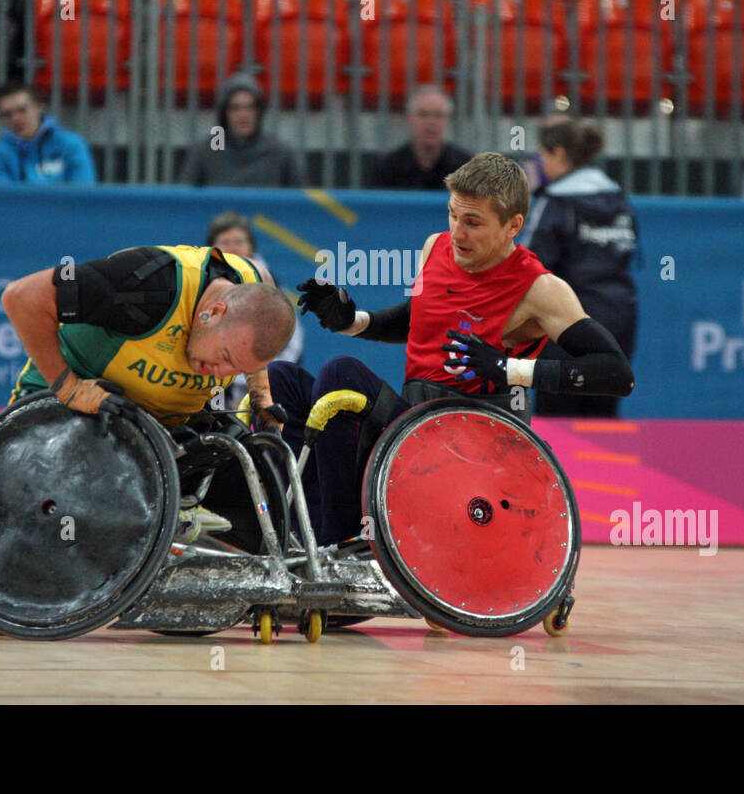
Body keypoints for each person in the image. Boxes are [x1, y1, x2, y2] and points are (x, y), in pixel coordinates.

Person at [253, 152, 635, 546]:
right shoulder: (436, 247)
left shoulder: (540, 289)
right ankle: (297, 528)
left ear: (513, 225)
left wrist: (508, 369)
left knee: (339, 375)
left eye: (473, 222)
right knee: (281, 380)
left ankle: (343, 540)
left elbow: (616, 373)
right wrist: (352, 322)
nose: (457, 232)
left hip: (468, 447)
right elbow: (419, 318)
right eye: (453, 215)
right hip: (412, 423)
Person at [1, 243, 296, 540]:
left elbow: (256, 331)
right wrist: (69, 388)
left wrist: (261, 396)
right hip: (71, 417)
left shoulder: (252, 286)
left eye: (236, 370)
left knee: (250, 473)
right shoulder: (145, 286)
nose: (221, 375)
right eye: (225, 358)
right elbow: (21, 298)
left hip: (154, 424)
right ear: (214, 312)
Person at [524, 117, 638, 418]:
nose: (541, 164)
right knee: (602, 420)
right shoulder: (618, 198)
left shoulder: (555, 202)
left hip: (568, 327)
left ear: (558, 154)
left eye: (543, 157)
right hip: (620, 323)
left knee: (557, 424)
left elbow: (529, 267)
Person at [205, 211, 304, 406]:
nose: (233, 248)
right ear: (213, 248)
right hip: (213, 380)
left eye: (239, 242)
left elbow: (291, 337)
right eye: (226, 242)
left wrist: (270, 377)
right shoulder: (201, 282)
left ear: (251, 246)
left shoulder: (268, 281)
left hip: (263, 381)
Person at [177, 73, 306, 187]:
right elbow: (184, 201)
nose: (243, 115)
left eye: (250, 108)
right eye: (235, 108)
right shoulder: (205, 151)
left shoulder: (280, 152)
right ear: (224, 113)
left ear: (259, 112)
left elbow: (300, 203)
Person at [0, 80, 97, 183]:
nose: (15, 119)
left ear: (39, 107)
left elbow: (83, 195)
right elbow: (2, 200)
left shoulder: (70, 144)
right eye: (7, 114)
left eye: (22, 110)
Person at [371, 85, 472, 189]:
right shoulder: (388, 168)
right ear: (409, 118)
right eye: (422, 115)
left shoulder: (467, 169)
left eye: (438, 115)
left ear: (448, 120)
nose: (431, 122)